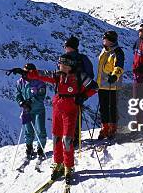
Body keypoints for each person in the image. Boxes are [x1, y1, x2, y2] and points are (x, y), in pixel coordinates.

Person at [24, 54, 98, 182]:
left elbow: (95, 87)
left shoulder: (80, 76)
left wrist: (83, 97)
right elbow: (40, 74)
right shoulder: (58, 75)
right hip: (57, 107)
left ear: (69, 66)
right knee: (56, 138)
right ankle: (58, 163)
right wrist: (26, 73)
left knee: (67, 139)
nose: (59, 65)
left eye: (62, 64)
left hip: (70, 108)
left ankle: (69, 166)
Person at [64, 35, 94, 147]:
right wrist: (84, 92)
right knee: (75, 114)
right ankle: (75, 137)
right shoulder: (83, 58)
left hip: (68, 92)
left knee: (70, 115)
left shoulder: (66, 58)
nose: (65, 48)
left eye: (66, 46)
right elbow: (90, 75)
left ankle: (71, 137)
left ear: (70, 47)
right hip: (79, 91)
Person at [96, 30, 125, 139]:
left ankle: (112, 128)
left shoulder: (117, 52)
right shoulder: (104, 50)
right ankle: (105, 127)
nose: (103, 40)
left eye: (105, 39)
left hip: (112, 85)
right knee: (103, 108)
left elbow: (119, 66)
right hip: (102, 84)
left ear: (111, 41)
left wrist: (114, 76)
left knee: (111, 107)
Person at [14, 63, 47, 159]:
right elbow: (18, 94)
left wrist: (29, 101)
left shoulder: (40, 82)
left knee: (40, 130)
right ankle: (29, 147)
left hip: (38, 110)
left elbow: (41, 96)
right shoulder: (20, 82)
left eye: (27, 72)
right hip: (27, 110)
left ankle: (40, 148)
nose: (24, 74)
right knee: (28, 130)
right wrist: (21, 102)